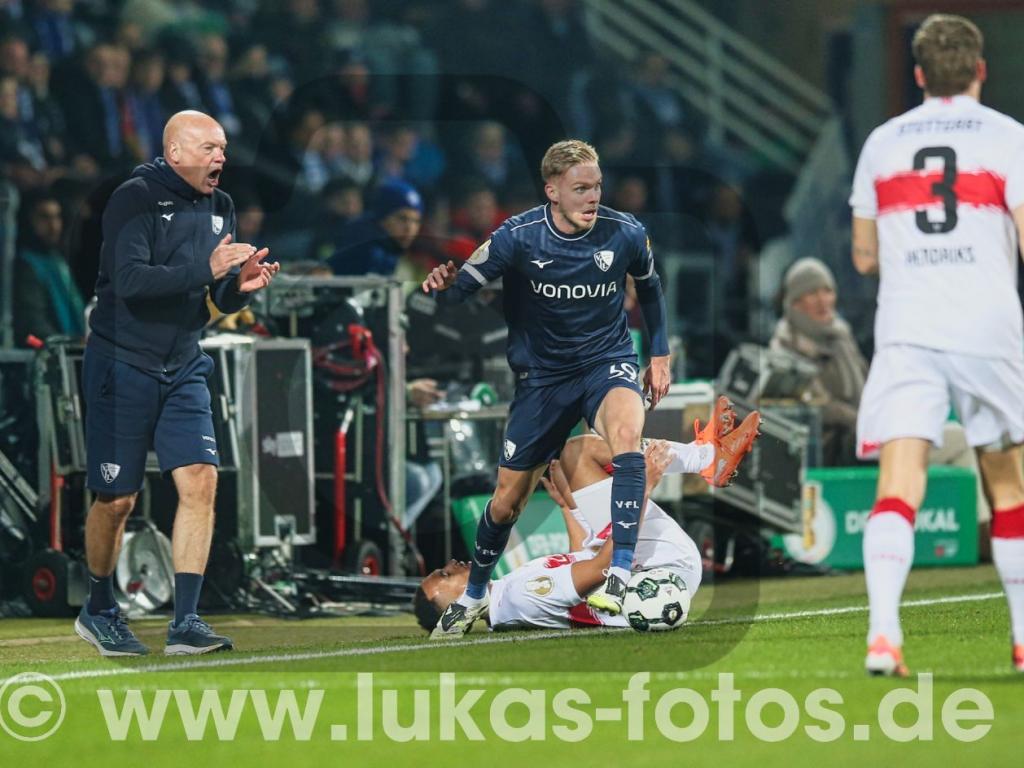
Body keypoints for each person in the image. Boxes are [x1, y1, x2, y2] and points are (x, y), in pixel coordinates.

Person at [422, 140, 672, 637]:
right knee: (506, 503)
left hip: (606, 362)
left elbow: (649, 287)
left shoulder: (625, 232)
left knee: (626, 437)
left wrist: (660, 354)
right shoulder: (517, 237)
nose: (592, 197)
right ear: (552, 190)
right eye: (580, 189)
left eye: (597, 186)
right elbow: (460, 288)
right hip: (542, 380)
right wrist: (444, 284)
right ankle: (474, 595)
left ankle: (619, 573)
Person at [849, 14, 1024, 675]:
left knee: (899, 481)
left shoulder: (882, 143)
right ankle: (1022, 638)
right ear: (980, 70)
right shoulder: (1009, 137)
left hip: (908, 327)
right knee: (1008, 486)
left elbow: (865, 256)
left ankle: (883, 635)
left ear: (919, 74)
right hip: (986, 327)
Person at [75, 110, 280, 657]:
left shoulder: (221, 206)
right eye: (209, 147)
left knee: (200, 481)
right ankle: (98, 607)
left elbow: (212, 295)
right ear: (175, 153)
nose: (221, 157)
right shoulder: (133, 198)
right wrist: (208, 271)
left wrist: (238, 288)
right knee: (117, 500)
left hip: (185, 361)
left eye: (223, 147)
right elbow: (130, 282)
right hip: (122, 362)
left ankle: (186, 621)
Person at [414, 400, 761, 632]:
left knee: (568, 461)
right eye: (444, 575)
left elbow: (583, 558)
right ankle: (705, 458)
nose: (452, 564)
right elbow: (601, 568)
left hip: (648, 569)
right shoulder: (520, 595)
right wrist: (642, 489)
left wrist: (568, 507)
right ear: (452, 606)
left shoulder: (508, 594)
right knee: (579, 453)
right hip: (660, 571)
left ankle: (705, 457)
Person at [13, 192, 85, 344]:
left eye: (57, 217)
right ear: (29, 220)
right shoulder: (25, 265)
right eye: (44, 217)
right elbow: (33, 323)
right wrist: (71, 343)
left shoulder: (58, 261)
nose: (54, 226)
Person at [329, 179, 423, 277]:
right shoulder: (363, 247)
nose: (410, 228)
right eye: (402, 218)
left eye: (416, 221)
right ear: (382, 218)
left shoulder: (391, 248)